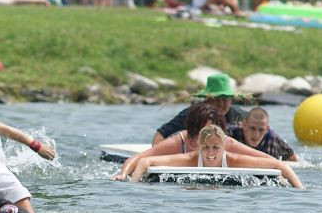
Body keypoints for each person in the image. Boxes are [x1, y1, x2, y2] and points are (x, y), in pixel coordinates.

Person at [114, 102, 276, 180]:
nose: (209, 135)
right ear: (193, 129)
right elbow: (140, 158)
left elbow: (266, 159)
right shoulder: (180, 141)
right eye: (203, 131)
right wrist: (123, 174)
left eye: (213, 132)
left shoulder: (226, 142)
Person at [127, 125, 303, 188]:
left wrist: (300, 190)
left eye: (216, 148)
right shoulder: (191, 159)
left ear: (223, 147)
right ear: (200, 147)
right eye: (207, 147)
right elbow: (145, 161)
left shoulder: (233, 159)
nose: (211, 153)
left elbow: (281, 166)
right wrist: (134, 185)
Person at [152, 73, 249, 145]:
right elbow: (160, 135)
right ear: (207, 99)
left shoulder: (241, 116)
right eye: (215, 99)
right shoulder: (192, 114)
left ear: (231, 100)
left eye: (225, 100)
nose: (220, 104)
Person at [230, 107, 298, 161]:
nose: (256, 134)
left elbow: (293, 158)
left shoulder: (273, 139)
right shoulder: (232, 134)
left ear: (267, 129)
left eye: (261, 130)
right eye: (252, 128)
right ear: (244, 125)